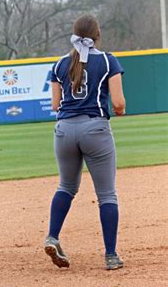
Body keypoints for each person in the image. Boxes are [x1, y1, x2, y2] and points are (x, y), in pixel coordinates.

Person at [44, 14, 126, 270]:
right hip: (95, 128)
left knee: (66, 187)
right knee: (106, 195)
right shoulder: (107, 60)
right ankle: (111, 255)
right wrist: (120, 111)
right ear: (97, 34)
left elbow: (56, 105)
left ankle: (52, 236)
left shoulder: (60, 64)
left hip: (64, 130)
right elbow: (118, 103)